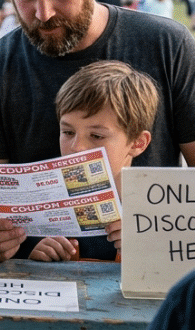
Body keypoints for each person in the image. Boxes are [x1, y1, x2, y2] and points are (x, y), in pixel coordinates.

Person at [0, 0, 195, 263]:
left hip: (150, 272)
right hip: (39, 275)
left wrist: (159, 231)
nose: (43, 13)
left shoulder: (169, 45)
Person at [27, 60, 154, 263]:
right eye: (68, 132)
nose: (77, 147)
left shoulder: (158, 212)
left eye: (96, 136)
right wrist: (37, 257)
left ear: (138, 143)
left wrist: (146, 252)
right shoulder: (43, 208)